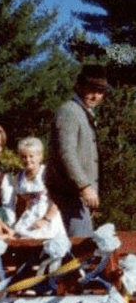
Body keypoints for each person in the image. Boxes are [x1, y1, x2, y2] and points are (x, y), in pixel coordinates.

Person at [45, 64, 108, 237]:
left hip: (77, 195)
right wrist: (85, 187)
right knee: (81, 248)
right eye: (91, 90)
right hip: (68, 192)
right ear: (79, 86)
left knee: (81, 246)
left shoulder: (83, 113)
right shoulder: (69, 112)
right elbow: (67, 153)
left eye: (100, 91)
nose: (95, 96)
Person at [12, 138, 66, 239]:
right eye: (24, 157)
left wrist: (46, 219)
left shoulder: (47, 173)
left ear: (40, 156)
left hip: (47, 219)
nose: (28, 160)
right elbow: (20, 204)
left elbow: (57, 200)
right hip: (29, 220)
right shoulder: (19, 177)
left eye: (31, 156)